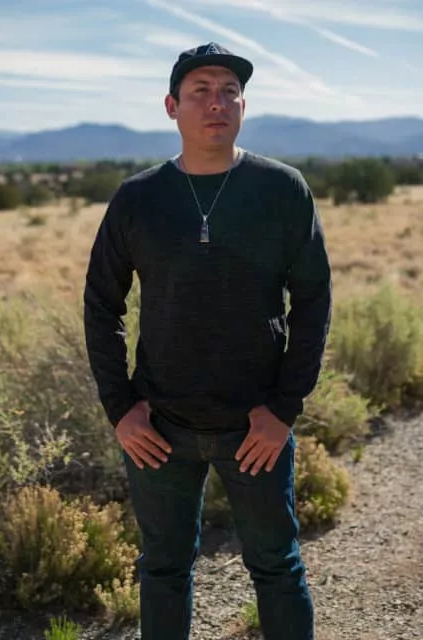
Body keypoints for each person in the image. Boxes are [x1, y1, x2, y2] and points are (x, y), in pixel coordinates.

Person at [84, 42, 332, 640]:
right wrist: (121, 409)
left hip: (256, 429)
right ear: (172, 106)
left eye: (229, 91)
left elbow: (313, 301)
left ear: (243, 106)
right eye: (200, 91)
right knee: (163, 569)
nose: (216, 102)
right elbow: (101, 304)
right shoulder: (138, 198)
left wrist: (283, 410)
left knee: (276, 566)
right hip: (159, 429)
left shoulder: (281, 189)